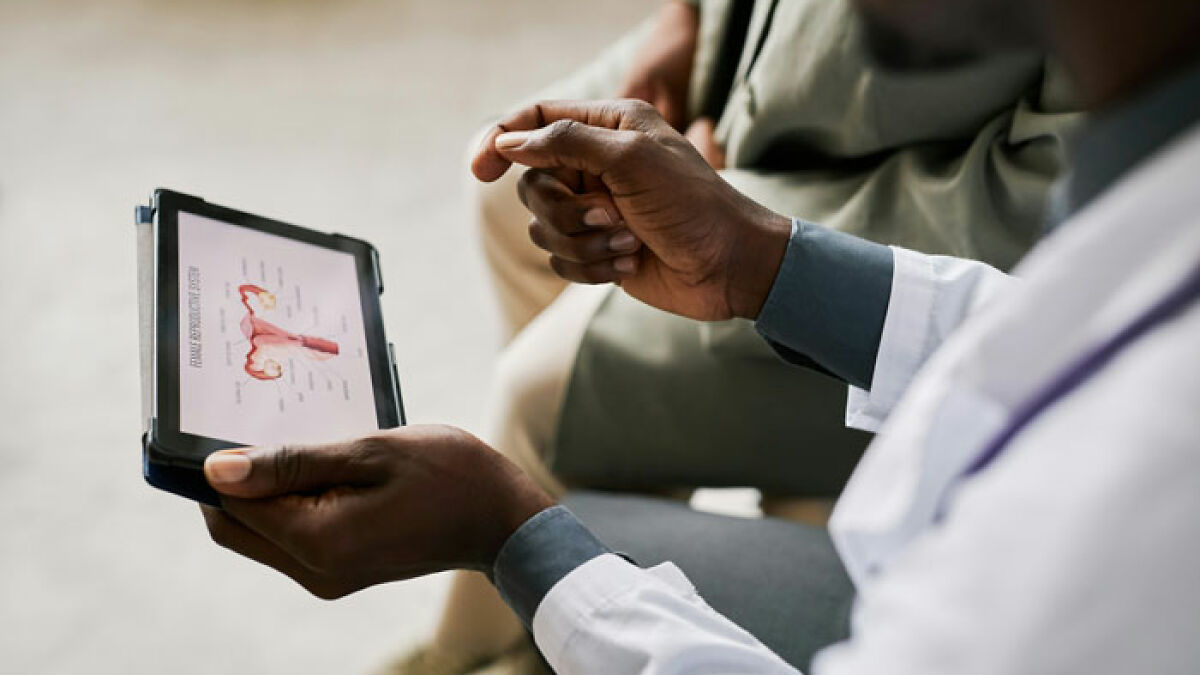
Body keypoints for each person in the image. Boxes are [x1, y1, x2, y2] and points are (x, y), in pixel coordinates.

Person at [200, 0, 1200, 672]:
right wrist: (763, 259)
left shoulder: (1127, 506)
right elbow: (1042, 334)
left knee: (558, 473)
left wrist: (512, 538)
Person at [427, 1, 1079, 669]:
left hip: (891, 192)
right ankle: (606, 547)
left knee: (540, 401)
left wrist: (739, 209)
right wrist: (684, 18)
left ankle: (483, 652)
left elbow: (1033, 216)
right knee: (514, 192)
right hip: (739, 42)